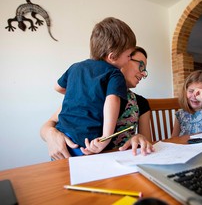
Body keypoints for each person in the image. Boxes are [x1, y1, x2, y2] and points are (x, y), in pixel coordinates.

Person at [40, 47, 154, 160]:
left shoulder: (141, 103)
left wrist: (139, 138)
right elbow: (47, 126)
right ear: (123, 58)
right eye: (141, 65)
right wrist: (51, 134)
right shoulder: (88, 95)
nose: (144, 73)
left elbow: (148, 143)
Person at [54, 17, 136, 156]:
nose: (129, 59)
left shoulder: (75, 67)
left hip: (62, 136)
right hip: (86, 140)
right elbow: (112, 101)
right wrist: (106, 137)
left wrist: (79, 94)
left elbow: (58, 87)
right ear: (113, 56)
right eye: (128, 55)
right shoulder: (114, 74)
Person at [171, 70, 202, 137]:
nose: (195, 96)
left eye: (200, 93)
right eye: (191, 91)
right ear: (185, 92)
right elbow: (173, 138)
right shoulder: (180, 115)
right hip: (185, 146)